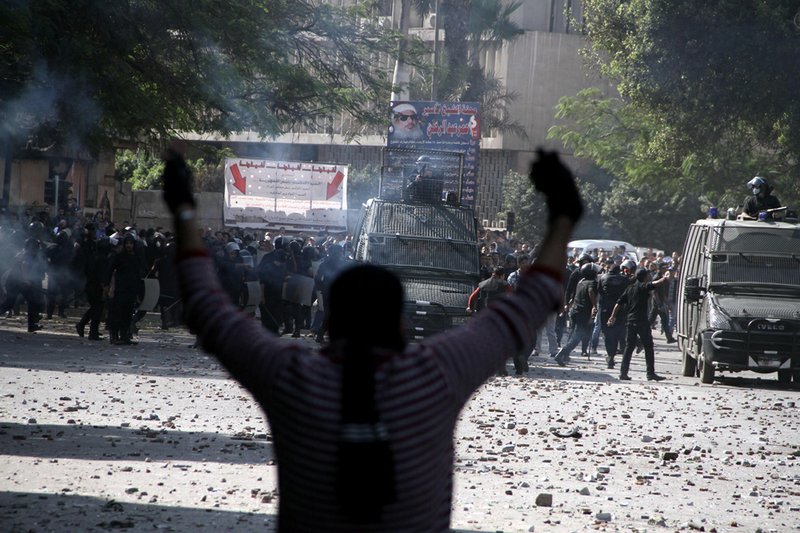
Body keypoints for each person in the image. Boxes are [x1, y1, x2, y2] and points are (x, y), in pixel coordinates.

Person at [161, 147, 582, 531]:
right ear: (400, 323)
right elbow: (526, 307)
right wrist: (562, 215)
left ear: (332, 321)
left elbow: (205, 307)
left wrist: (183, 210)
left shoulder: (291, 377)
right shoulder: (436, 375)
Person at [606, 267, 671, 381]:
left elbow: (618, 304)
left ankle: (623, 373)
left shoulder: (629, 288)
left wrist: (613, 316)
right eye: (647, 275)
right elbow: (655, 284)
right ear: (644, 277)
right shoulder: (642, 286)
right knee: (648, 347)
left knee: (628, 348)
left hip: (630, 321)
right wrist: (665, 278)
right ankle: (650, 373)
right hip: (641, 322)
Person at [553, 262, 600, 366]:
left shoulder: (581, 282)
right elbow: (591, 292)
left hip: (575, 310)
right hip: (582, 313)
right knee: (577, 336)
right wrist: (594, 306)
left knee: (574, 333)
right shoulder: (592, 283)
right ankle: (562, 353)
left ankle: (565, 355)